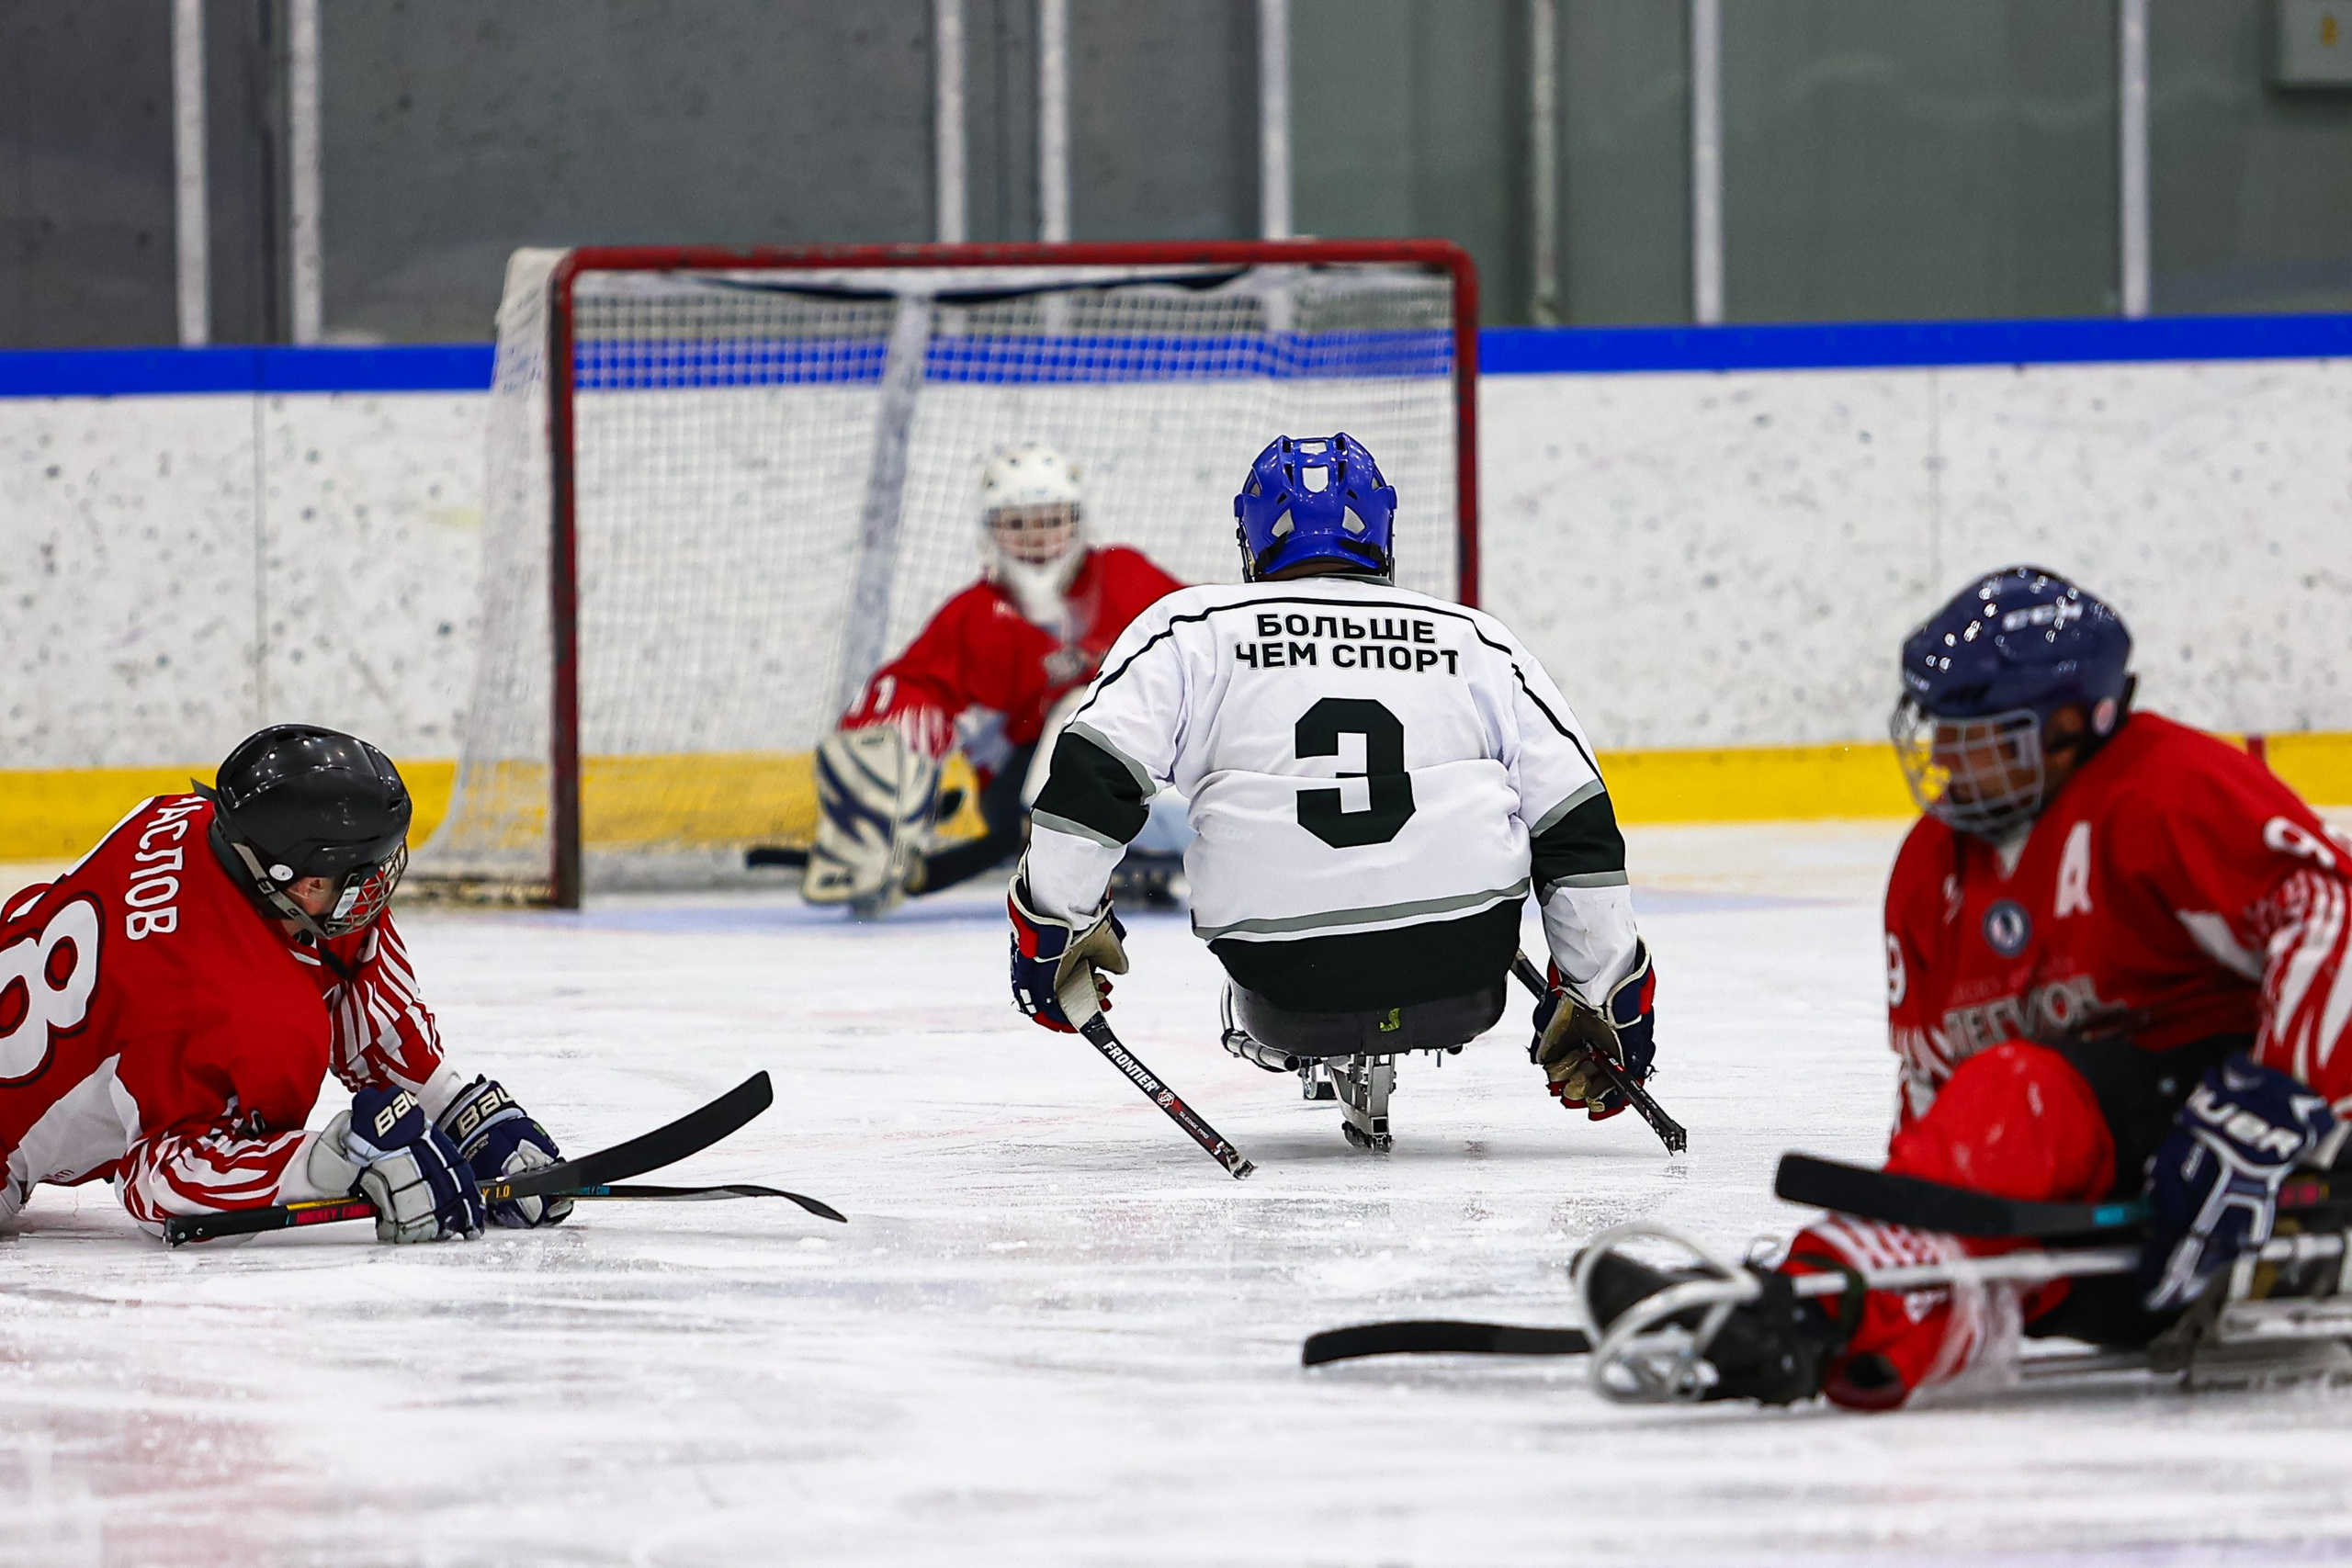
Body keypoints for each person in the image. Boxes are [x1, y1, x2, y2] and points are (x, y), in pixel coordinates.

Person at [1588, 566, 2352, 1406]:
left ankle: (1813, 1293)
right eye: (1938, 729)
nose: (1945, 757)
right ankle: (1815, 1326)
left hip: (2258, 1175)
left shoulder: (2163, 786)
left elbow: (2330, 917)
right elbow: (1941, 1096)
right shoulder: (1930, 871)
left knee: (2021, 1084)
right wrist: (1905, 1217)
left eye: (1975, 733)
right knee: (1987, 1191)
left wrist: (2273, 1107)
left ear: (2067, 726)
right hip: (2135, 1229)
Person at [1002, 432, 1657, 1150]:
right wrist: (1607, 995)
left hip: (1282, 978)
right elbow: (1578, 825)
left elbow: (1092, 778)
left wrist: (1052, 930)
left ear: (1253, 537)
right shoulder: (1477, 640)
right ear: (1380, 529)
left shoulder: (1190, 629)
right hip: (1465, 972)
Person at [0, 723, 571, 1244]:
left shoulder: (189, 820)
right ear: (287, 879)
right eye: (356, 873)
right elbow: (164, 1171)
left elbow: (345, 950)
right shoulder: (232, 1010)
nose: (378, 888)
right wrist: (330, 1164)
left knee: (334, 911)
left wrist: (452, 1106)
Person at [802, 443, 1189, 916]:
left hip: (1152, 776)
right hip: (1028, 796)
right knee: (1079, 708)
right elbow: (903, 701)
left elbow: (1207, 651)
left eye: (1051, 520)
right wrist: (879, 788)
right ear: (990, 531)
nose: (1037, 538)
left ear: (1078, 521)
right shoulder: (976, 616)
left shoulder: (1129, 578)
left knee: (1099, 703)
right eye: (1017, 524)